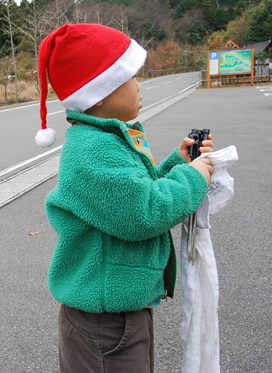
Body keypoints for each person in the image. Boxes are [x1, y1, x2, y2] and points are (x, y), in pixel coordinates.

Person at [35, 24, 214, 373]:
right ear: (99, 92)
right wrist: (193, 178)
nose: (139, 86)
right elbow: (143, 213)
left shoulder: (106, 139)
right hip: (105, 323)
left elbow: (134, 194)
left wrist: (179, 163)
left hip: (115, 311)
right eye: (131, 76)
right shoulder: (93, 150)